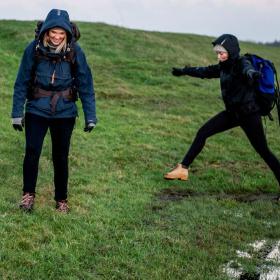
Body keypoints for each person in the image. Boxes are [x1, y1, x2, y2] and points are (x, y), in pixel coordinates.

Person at [164, 34, 280, 188]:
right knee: (203, 132)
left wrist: (253, 74)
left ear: (231, 51)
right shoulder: (223, 67)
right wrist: (184, 71)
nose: (218, 56)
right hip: (232, 114)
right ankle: (183, 169)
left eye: (221, 53)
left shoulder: (241, 63)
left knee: (263, 151)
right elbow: (204, 71)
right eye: (217, 53)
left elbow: (247, 69)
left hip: (249, 115)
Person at [12, 9, 97, 213]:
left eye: (61, 33)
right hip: (36, 109)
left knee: (60, 156)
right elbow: (21, 81)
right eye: (53, 32)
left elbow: (86, 84)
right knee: (32, 152)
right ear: (46, 31)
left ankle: (61, 200)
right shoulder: (33, 49)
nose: (57, 37)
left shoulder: (76, 52)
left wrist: (90, 116)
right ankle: (28, 196)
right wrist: (17, 113)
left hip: (65, 112)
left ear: (68, 33)